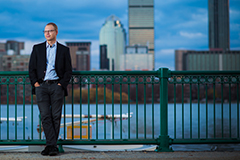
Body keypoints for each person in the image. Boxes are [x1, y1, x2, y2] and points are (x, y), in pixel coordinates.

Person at [29, 22, 72, 156]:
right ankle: (52, 146)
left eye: (50, 31)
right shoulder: (37, 48)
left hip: (56, 86)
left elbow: (68, 71)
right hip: (42, 86)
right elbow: (31, 69)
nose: (47, 33)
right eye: (45, 31)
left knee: (55, 116)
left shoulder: (64, 50)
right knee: (45, 116)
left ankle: (50, 146)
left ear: (56, 32)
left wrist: (61, 85)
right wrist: (35, 83)